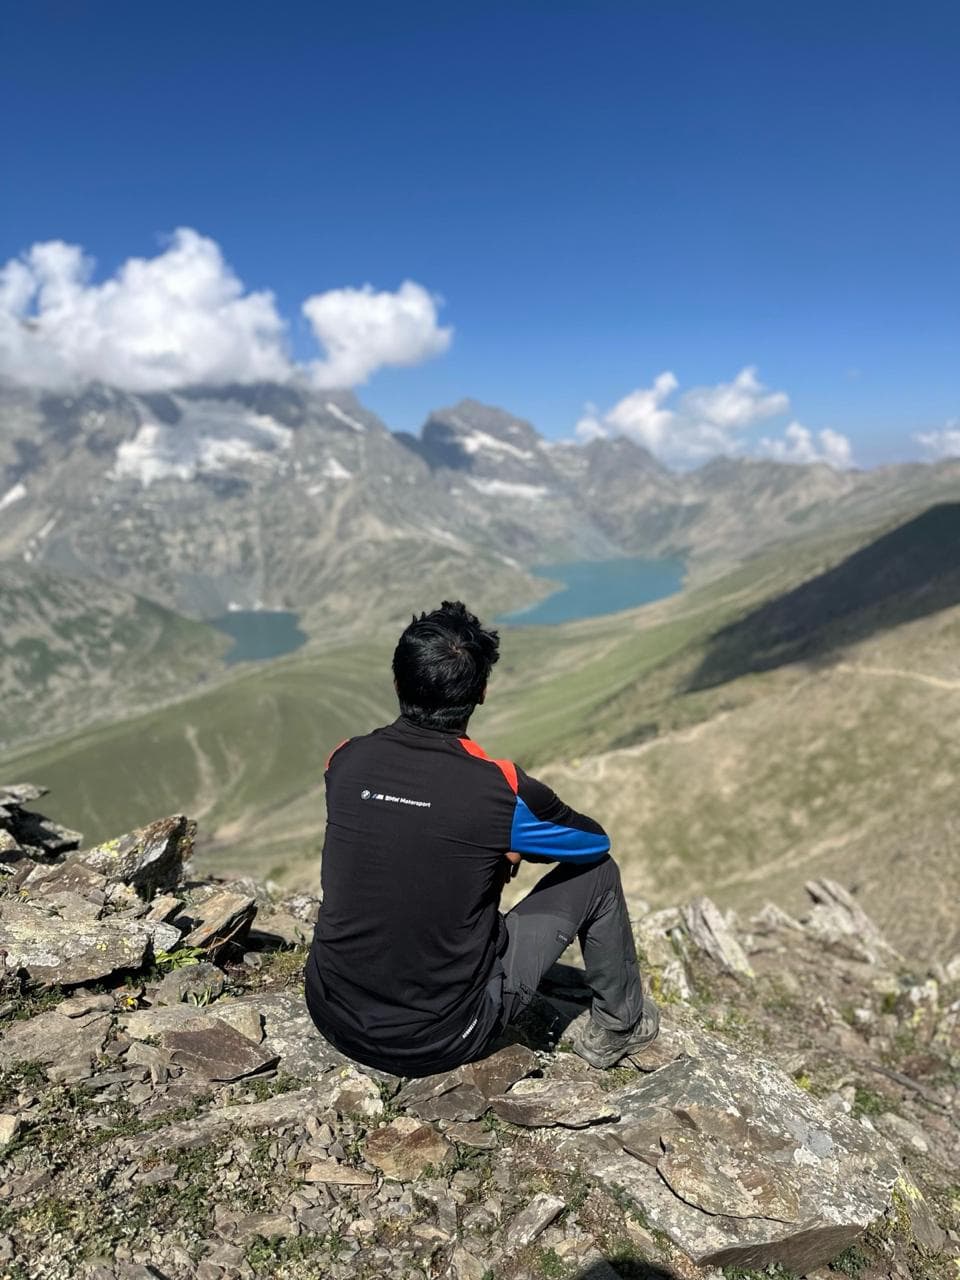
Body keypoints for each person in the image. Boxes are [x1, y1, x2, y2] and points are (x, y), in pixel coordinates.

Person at [305, 600, 658, 1077]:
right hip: (445, 1036)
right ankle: (620, 1027)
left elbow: (403, 837)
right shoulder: (501, 790)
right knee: (600, 874)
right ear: (482, 692)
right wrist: (509, 843)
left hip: (332, 1014)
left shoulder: (345, 760)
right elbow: (593, 844)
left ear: (397, 682)